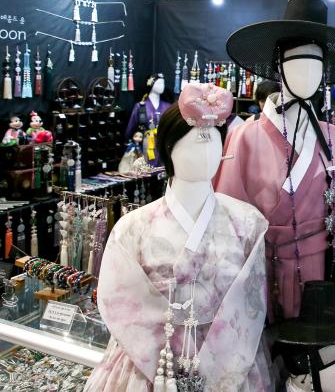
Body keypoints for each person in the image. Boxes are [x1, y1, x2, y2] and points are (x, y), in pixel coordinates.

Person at [218, 0, 335, 330]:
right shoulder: (243, 138)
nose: (309, 72)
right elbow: (229, 229)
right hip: (263, 276)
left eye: (317, 63)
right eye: (299, 61)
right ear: (279, 65)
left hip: (322, 278)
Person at [85, 84, 274, 391]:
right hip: (150, 367)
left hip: (231, 361)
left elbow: (251, 305)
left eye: (215, 139)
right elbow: (119, 303)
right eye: (199, 140)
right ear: (170, 147)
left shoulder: (248, 223)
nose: (210, 149)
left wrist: (217, 368)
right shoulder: (132, 228)